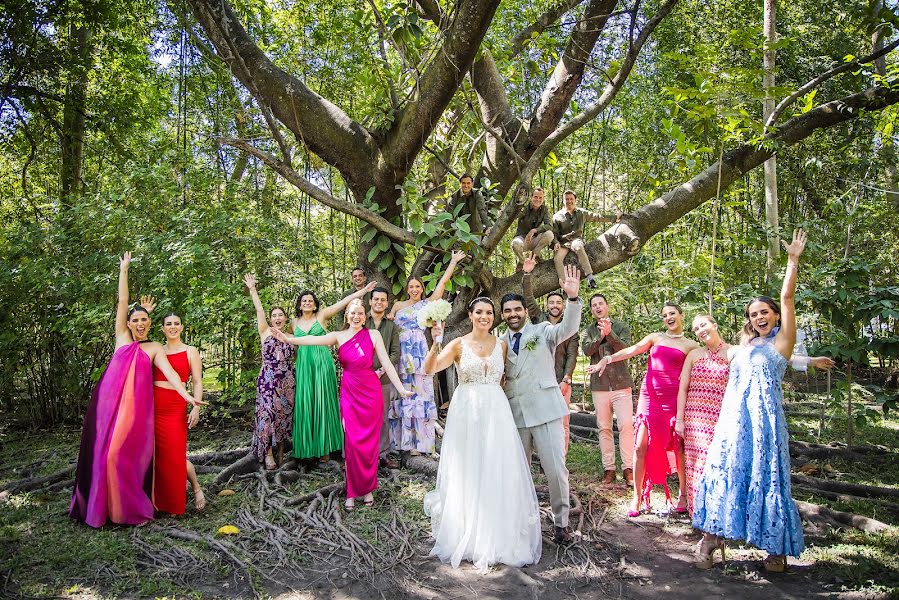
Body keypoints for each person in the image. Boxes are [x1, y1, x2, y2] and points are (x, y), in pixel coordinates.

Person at [692, 230, 813, 572]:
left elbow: (787, 298)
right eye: (754, 314)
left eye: (765, 312)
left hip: (764, 421)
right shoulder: (745, 345)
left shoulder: (782, 344)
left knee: (766, 474)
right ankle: (711, 539)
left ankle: (775, 549)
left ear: (775, 316)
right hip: (733, 419)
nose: (759, 317)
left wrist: (792, 261)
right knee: (726, 469)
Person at [70, 253, 203, 528]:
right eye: (136, 321)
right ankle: (99, 508)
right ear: (129, 324)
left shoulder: (154, 348)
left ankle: (126, 509)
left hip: (136, 413)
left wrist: (189, 396)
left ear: (150, 324)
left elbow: (173, 376)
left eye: (145, 321)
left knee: (122, 457)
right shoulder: (121, 338)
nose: (141, 324)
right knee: (105, 456)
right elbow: (122, 303)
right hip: (108, 408)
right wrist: (124, 269)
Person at [422, 297, 541, 570]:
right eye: (479, 312)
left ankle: (498, 534)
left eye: (489, 312)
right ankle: (469, 533)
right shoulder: (458, 344)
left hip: (497, 411)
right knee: (470, 466)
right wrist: (435, 340)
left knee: (497, 466)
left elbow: (510, 375)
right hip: (466, 412)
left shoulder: (501, 344)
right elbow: (429, 369)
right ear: (471, 314)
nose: (484, 316)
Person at [676, 314, 835, 519]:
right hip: (694, 418)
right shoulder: (694, 355)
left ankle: (719, 515)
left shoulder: (735, 351)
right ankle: (697, 514)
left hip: (723, 416)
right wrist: (680, 420)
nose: (700, 330)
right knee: (694, 463)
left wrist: (811, 361)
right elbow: (683, 389)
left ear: (714, 324)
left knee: (718, 464)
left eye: (703, 324)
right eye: (696, 328)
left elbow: (774, 355)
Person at [276, 299, 410, 510]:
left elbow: (386, 363)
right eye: (353, 313)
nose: (356, 316)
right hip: (349, 392)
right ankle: (351, 490)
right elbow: (310, 340)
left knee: (368, 445)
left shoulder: (373, 335)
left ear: (365, 317)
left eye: (360, 313)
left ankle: (367, 489)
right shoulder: (338, 336)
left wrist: (401, 389)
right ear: (347, 315)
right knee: (352, 442)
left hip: (371, 393)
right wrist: (288, 338)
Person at [501, 264, 583, 545]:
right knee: (519, 471)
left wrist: (572, 299)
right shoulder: (499, 341)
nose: (513, 314)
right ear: (502, 316)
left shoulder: (543, 331)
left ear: (525, 311)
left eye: (517, 309)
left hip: (546, 409)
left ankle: (561, 523)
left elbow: (568, 327)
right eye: (508, 311)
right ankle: (523, 521)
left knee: (555, 469)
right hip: (516, 414)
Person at [591, 302, 698, 516]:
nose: (668, 317)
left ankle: (684, 495)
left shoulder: (691, 345)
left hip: (673, 400)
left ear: (681, 315)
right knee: (640, 446)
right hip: (650, 398)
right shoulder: (655, 337)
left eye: (672, 313)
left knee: (678, 448)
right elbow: (632, 350)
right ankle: (638, 497)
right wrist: (609, 358)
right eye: (665, 315)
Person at [387, 250, 465, 456]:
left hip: (419, 350)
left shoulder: (426, 304)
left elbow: (441, 284)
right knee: (403, 395)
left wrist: (454, 261)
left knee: (421, 394)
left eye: (418, 286)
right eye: (411, 287)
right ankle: (402, 443)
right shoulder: (398, 305)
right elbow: (387, 323)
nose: (414, 290)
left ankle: (420, 444)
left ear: (422, 289)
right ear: (407, 289)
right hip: (401, 352)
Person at [292, 281, 378, 462]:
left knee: (323, 402)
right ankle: (307, 449)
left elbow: (342, 303)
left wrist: (362, 291)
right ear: (299, 304)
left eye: (310, 301)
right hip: (304, 365)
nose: (307, 303)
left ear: (315, 304)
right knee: (306, 402)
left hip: (322, 363)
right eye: (304, 301)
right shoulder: (293, 323)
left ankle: (325, 449)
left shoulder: (322, 315)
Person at [148, 310, 206, 514]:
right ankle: (157, 501)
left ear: (181, 327)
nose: (173, 327)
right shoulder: (156, 349)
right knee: (155, 455)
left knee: (174, 454)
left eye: (176, 323)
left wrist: (196, 407)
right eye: (168, 324)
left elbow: (198, 381)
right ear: (162, 328)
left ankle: (195, 488)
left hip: (175, 407)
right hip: (153, 407)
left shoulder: (191, 350)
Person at [522, 255, 577, 456]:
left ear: (563, 306)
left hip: (560, 380)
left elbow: (572, 353)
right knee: (539, 419)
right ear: (547, 305)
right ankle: (543, 456)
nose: (555, 305)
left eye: (558, 302)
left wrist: (567, 378)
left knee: (563, 422)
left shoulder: (568, 327)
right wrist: (527, 273)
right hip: (537, 380)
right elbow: (528, 298)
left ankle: (559, 456)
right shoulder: (538, 319)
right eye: (551, 302)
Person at [581, 293, 635, 485]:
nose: (597, 307)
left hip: (621, 384)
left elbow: (626, 349)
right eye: (594, 305)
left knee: (626, 426)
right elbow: (587, 351)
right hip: (600, 386)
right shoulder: (588, 330)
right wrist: (600, 336)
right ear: (591, 309)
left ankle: (628, 468)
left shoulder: (621, 327)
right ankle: (609, 469)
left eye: (600, 303)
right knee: (604, 428)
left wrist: (610, 333)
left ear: (607, 306)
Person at [244, 274, 296, 470]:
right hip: (268, 380)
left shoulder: (291, 336)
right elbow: (258, 309)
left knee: (284, 417)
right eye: (274, 315)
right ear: (271, 319)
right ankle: (267, 454)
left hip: (288, 382)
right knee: (267, 416)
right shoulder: (264, 331)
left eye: (280, 315)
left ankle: (281, 452)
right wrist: (252, 289)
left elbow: (297, 356)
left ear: (285, 318)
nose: (277, 318)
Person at [366, 287, 401, 469]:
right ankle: (357, 456)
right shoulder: (361, 321)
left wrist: (381, 371)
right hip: (361, 378)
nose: (379, 302)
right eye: (376, 299)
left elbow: (396, 352)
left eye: (383, 300)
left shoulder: (392, 326)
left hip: (383, 379)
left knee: (382, 418)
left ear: (387, 303)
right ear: (370, 301)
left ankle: (383, 454)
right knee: (360, 417)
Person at [551, 190, 615, 289]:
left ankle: (590, 278)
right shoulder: (556, 216)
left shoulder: (581, 213)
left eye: (571, 199)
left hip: (576, 240)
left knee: (579, 247)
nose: (569, 201)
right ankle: (564, 286)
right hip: (563, 242)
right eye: (566, 199)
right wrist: (555, 243)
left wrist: (614, 218)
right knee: (557, 259)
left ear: (575, 200)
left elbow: (597, 217)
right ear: (563, 201)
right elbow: (554, 233)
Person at [511, 187, 554, 268]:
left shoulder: (544, 209)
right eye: (536, 197)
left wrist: (534, 230)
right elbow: (514, 216)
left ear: (543, 199)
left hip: (535, 240)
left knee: (550, 234)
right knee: (515, 244)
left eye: (540, 197)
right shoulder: (524, 208)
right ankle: (523, 262)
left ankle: (535, 253)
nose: (538, 199)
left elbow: (549, 226)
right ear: (531, 197)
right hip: (523, 240)